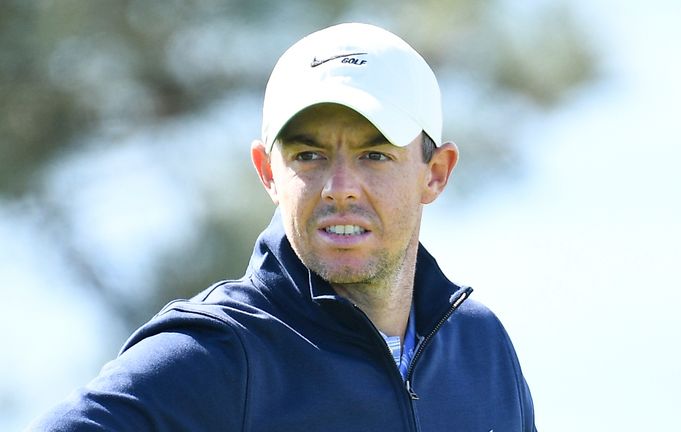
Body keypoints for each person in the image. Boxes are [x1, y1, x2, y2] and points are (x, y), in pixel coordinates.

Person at [28, 22, 536, 431]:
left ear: (436, 173)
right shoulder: (219, 351)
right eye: (308, 155)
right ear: (269, 172)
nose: (340, 187)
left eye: (374, 155)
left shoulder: (481, 347)